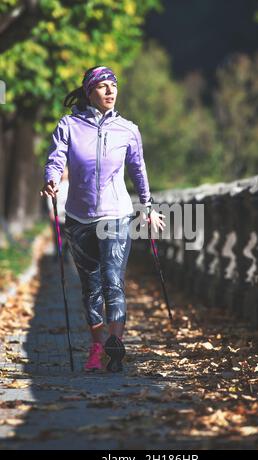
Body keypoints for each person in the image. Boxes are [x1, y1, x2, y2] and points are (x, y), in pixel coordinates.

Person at [39, 65, 166, 373]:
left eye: (114, 85)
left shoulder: (128, 129)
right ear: (89, 92)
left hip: (117, 215)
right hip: (79, 218)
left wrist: (147, 206)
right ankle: (96, 348)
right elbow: (56, 157)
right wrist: (52, 178)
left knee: (113, 280)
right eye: (102, 86)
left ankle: (115, 344)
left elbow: (138, 171)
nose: (110, 90)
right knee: (91, 287)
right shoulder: (68, 125)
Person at [47, 166, 69, 262]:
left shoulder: (71, 186)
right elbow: (50, 197)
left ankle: (65, 252)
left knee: (68, 236)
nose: (64, 173)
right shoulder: (57, 185)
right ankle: (58, 253)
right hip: (57, 214)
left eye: (65, 171)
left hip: (68, 215)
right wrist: (51, 210)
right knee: (57, 236)